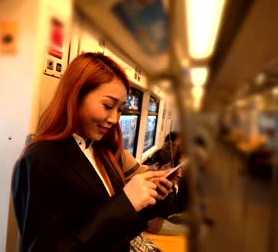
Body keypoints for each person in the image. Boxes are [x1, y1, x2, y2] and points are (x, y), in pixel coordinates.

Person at [11, 53, 175, 251]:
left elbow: (112, 226)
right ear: (76, 96)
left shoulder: (100, 150)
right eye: (107, 106)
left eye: (120, 109)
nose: (114, 119)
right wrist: (125, 202)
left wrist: (152, 199)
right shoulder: (40, 160)